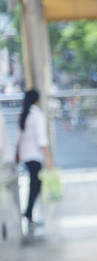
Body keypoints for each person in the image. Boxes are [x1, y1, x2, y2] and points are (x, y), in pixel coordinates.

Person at [17, 89, 52, 227]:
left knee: (35, 184)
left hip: (26, 155)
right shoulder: (37, 115)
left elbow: (19, 138)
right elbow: (41, 140)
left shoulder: (24, 114)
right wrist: (48, 158)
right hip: (34, 156)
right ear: (37, 100)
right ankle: (29, 213)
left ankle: (29, 213)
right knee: (35, 185)